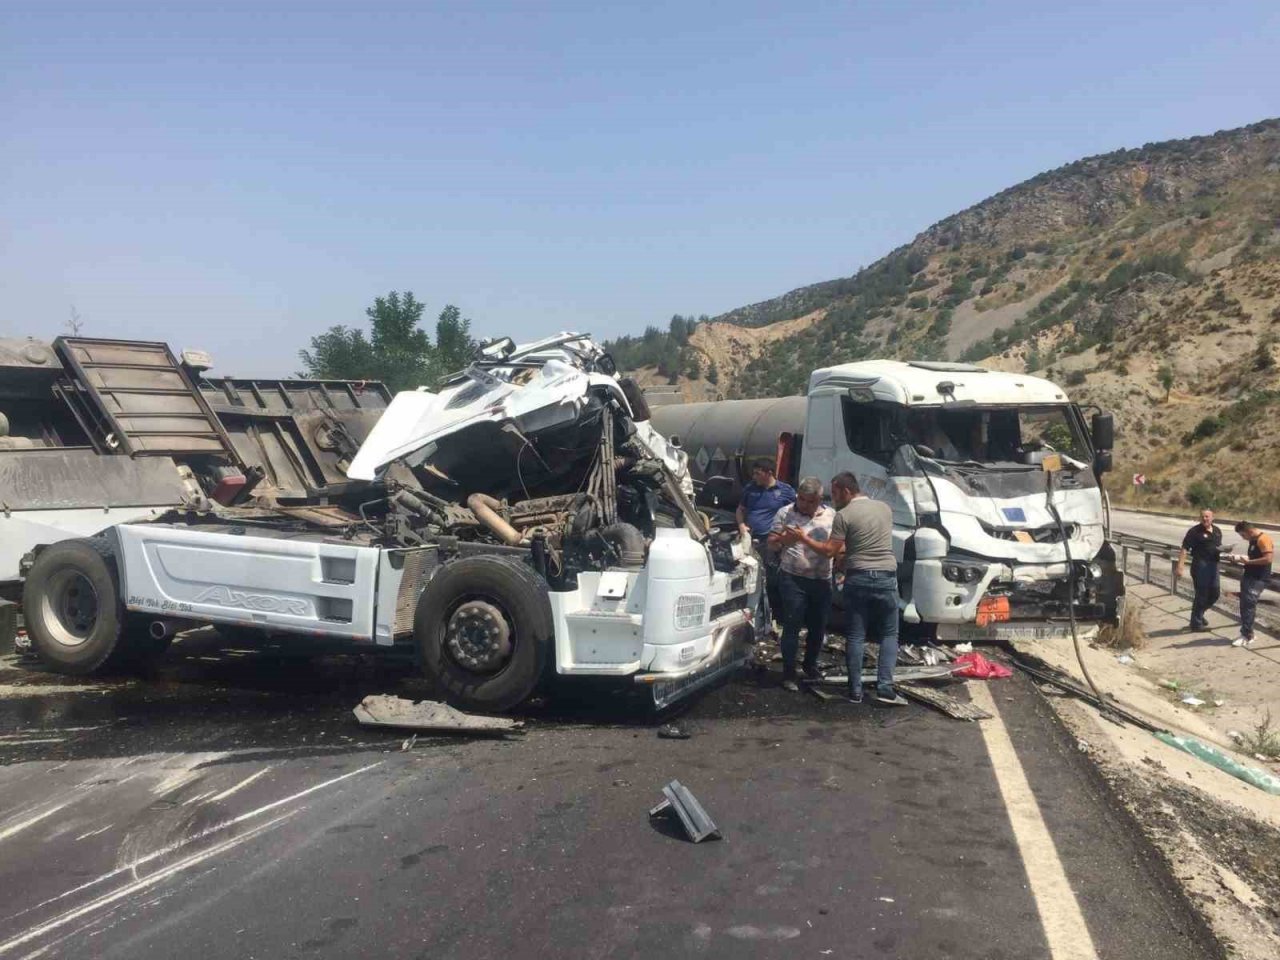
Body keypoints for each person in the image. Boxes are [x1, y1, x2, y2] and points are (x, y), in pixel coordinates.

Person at [807, 471, 906, 705]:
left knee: (855, 635)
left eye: (835, 493)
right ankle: (885, 688)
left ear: (846, 491)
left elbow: (832, 551)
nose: (833, 499)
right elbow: (871, 539)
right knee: (890, 634)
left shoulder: (844, 515)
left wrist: (805, 540)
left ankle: (855, 691)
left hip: (858, 577)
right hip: (886, 576)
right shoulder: (884, 508)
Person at [768, 477, 836, 691]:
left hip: (822, 579)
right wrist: (788, 540)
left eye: (810, 501)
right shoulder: (786, 513)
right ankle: (789, 673)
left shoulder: (831, 516)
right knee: (792, 624)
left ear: (819, 500)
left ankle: (810, 665)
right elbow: (771, 544)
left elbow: (837, 546)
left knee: (818, 626)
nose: (804, 505)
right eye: (802, 500)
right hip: (792, 578)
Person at [736, 459, 796, 626]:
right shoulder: (751, 489)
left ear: (769, 473)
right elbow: (741, 509)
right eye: (753, 473)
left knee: (773, 579)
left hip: (772, 542)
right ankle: (756, 614)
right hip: (753, 541)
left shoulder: (785, 491)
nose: (754, 476)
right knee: (752, 577)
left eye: (758, 473)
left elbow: (795, 512)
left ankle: (777, 617)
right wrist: (742, 526)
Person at [1226, 521, 1274, 648]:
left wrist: (1249, 562)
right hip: (1249, 576)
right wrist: (1238, 559)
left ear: (1249, 531)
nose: (1242, 538)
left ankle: (1247, 635)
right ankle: (1248, 632)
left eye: (1242, 535)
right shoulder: (1252, 540)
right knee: (1244, 604)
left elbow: (1268, 559)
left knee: (1248, 604)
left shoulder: (1263, 539)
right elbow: (1254, 556)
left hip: (1259, 578)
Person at [1176, 508, 1222, 631]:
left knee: (1215, 593)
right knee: (1202, 594)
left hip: (1214, 565)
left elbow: (1217, 547)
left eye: (1207, 516)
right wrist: (1180, 566)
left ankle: (1199, 615)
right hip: (1200, 565)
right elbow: (1185, 548)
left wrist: (1225, 551)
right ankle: (1196, 624)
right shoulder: (1194, 531)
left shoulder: (1217, 531)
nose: (1204, 519)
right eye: (1202, 516)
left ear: (1212, 517)